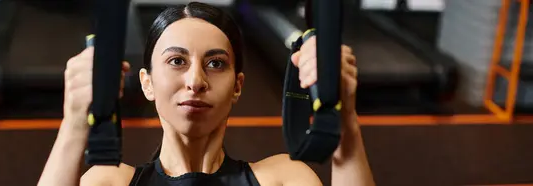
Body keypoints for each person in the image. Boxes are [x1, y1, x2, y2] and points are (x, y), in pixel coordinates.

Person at [38, 2, 375, 186]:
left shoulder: (284, 179)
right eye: (176, 61)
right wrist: (74, 123)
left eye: (216, 63)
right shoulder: (109, 182)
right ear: (147, 83)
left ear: (237, 86)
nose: (195, 80)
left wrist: (343, 116)